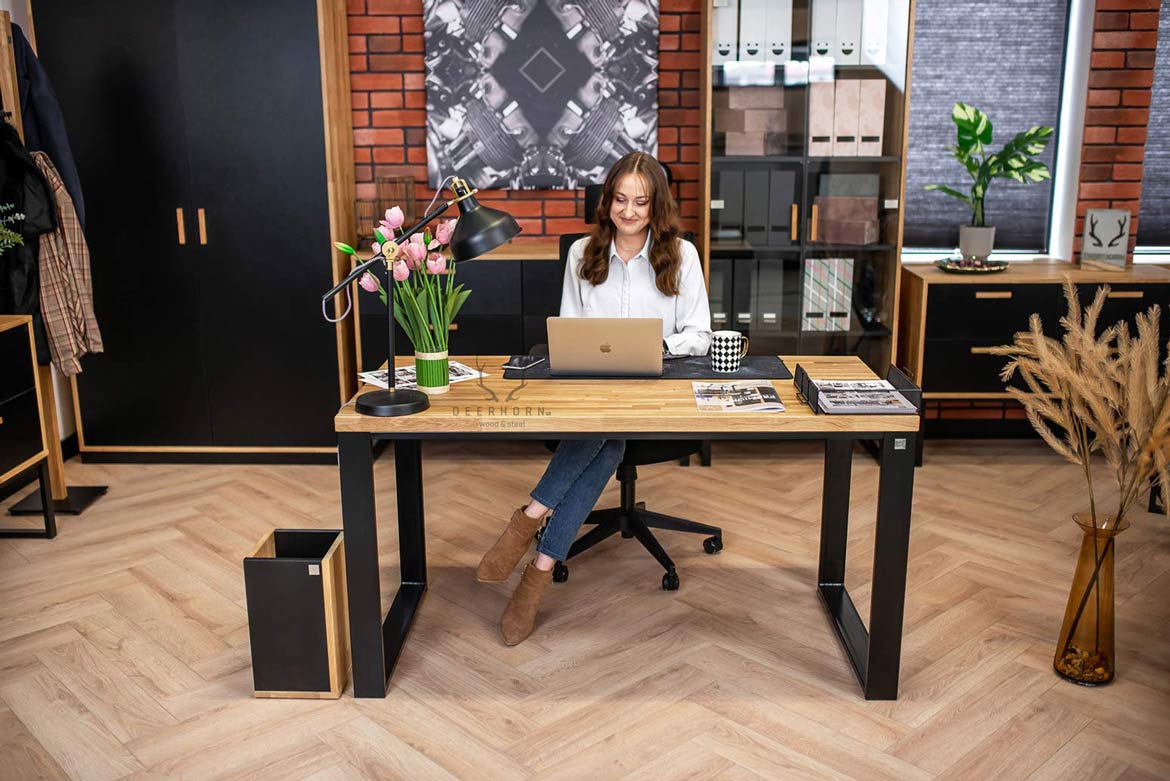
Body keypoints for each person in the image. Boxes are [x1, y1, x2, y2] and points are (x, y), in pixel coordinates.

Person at [475, 151, 712, 645]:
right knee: (607, 443)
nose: (629, 212)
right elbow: (569, 328)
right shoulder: (584, 252)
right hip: (593, 387)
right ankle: (539, 567)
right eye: (620, 200)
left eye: (640, 202)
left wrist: (654, 347)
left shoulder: (682, 255)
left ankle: (530, 521)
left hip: (653, 388)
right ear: (607, 202)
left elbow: (699, 334)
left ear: (656, 206)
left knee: (605, 438)